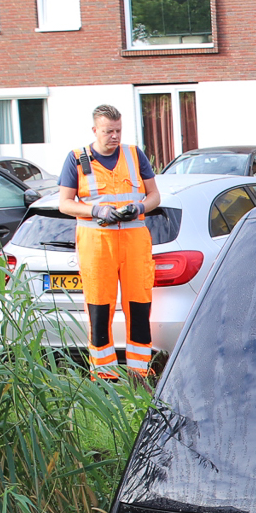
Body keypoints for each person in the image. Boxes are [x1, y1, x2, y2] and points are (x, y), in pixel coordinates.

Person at [60, 105, 162, 382]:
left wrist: (138, 207)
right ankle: (104, 375)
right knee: (98, 307)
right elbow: (64, 203)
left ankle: (140, 372)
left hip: (134, 240)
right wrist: (96, 211)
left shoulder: (133, 154)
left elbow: (155, 196)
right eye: (108, 131)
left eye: (118, 130)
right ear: (95, 130)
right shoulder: (76, 159)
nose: (114, 136)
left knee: (139, 306)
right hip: (96, 242)